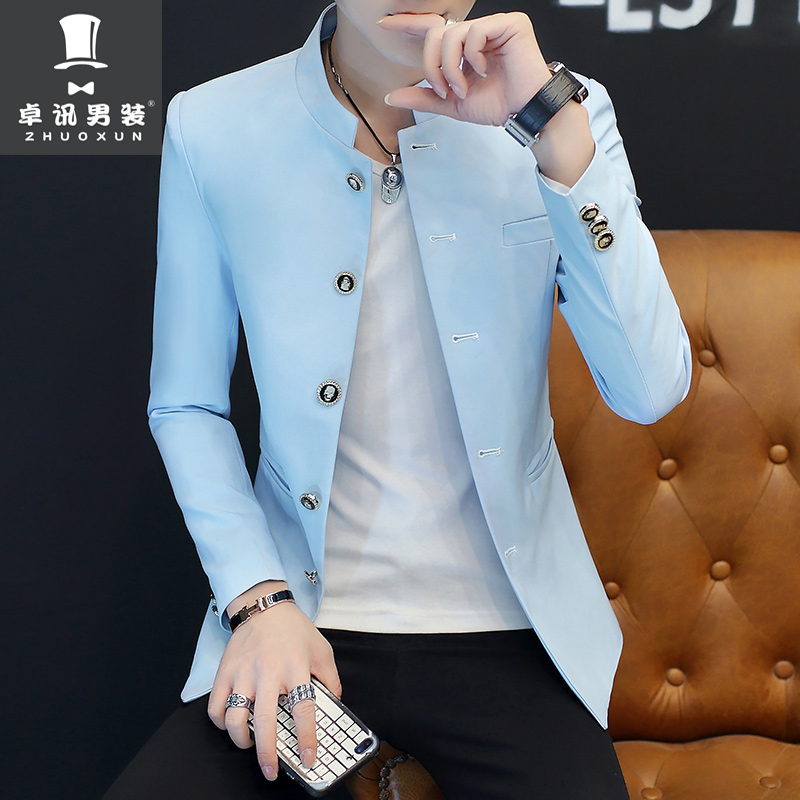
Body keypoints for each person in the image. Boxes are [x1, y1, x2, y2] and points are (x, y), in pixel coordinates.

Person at [104, 1, 692, 797]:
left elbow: (651, 389)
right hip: (300, 615)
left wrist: (554, 134)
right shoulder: (213, 124)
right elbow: (188, 406)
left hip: (512, 627)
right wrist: (258, 601)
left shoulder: (558, 106)